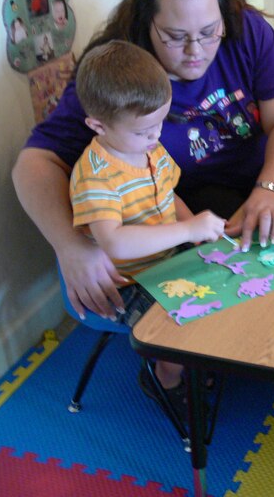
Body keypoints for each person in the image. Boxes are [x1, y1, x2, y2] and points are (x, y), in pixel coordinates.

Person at [12, 0, 274, 322]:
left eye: (209, 33)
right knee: (254, 258)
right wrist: (70, 246)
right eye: (175, 37)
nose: (196, 52)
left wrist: (271, 188)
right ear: (147, 22)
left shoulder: (244, 27)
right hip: (201, 191)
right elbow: (34, 163)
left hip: (256, 161)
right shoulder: (119, 79)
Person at [70, 40, 225, 411]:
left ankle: (194, 356)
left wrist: (197, 231)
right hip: (127, 282)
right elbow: (116, 244)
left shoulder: (148, 148)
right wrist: (189, 232)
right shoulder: (97, 176)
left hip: (166, 258)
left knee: (225, 277)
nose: (155, 137)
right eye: (144, 131)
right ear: (97, 125)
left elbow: (169, 196)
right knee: (177, 323)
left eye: (160, 124)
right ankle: (165, 377)